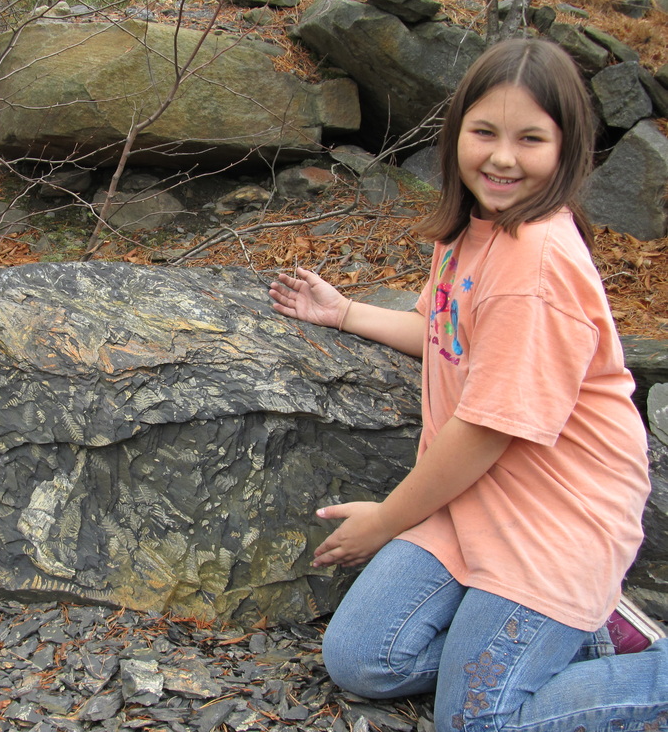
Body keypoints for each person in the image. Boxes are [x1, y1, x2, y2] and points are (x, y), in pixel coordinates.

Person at [268, 38, 667, 730]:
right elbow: (442, 332)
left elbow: (486, 429)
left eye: (530, 138)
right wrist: (345, 313)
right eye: (484, 132)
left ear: (567, 147)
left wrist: (387, 521)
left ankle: (620, 656)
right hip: (472, 506)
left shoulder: (537, 263)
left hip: (554, 524)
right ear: (457, 137)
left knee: (477, 722)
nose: (503, 157)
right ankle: (577, 639)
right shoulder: (473, 229)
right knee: (363, 659)